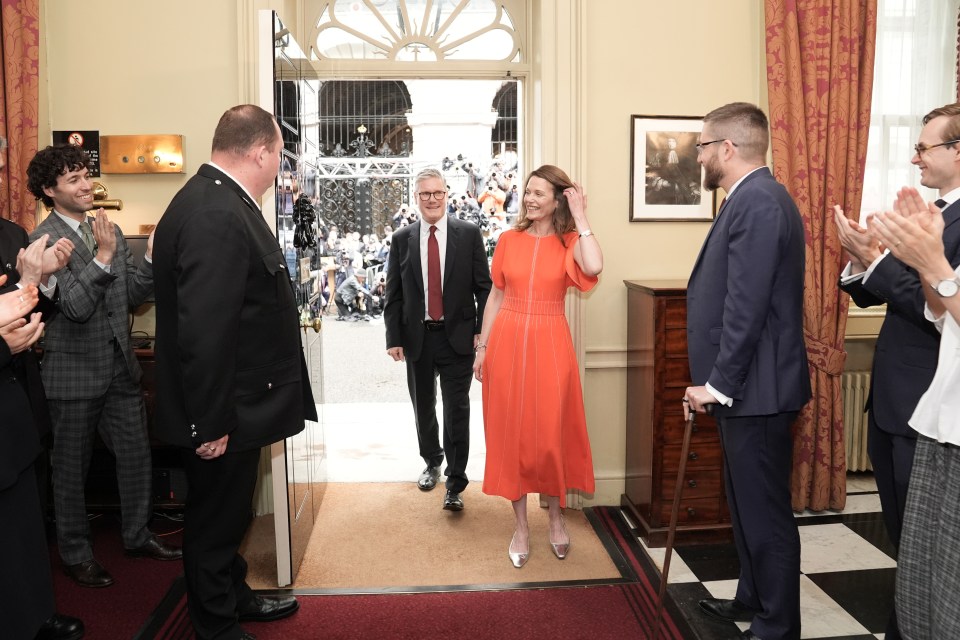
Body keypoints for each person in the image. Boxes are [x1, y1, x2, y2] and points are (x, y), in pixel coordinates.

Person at [151, 104, 317, 640]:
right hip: (223, 409)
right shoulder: (216, 212)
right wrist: (213, 422)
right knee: (214, 522)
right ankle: (216, 626)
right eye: (279, 156)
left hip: (236, 403)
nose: (279, 168)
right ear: (261, 152)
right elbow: (206, 331)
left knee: (231, 512)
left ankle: (234, 595)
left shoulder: (219, 201)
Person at [27, 144, 181, 589]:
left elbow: (133, 296)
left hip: (120, 370)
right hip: (72, 377)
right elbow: (73, 307)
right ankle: (76, 553)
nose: (85, 184)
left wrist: (151, 257)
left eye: (85, 175)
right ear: (49, 190)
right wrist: (103, 258)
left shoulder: (107, 227)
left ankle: (137, 535)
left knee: (136, 457)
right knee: (70, 469)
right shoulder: (42, 242)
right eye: (73, 179)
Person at [683, 103, 810, 640]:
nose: (700, 156)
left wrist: (717, 385)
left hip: (756, 389)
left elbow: (746, 305)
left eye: (703, 147)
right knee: (746, 505)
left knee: (766, 516)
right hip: (749, 390)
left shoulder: (758, 202)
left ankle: (777, 626)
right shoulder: (750, 198)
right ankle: (753, 598)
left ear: (727, 149)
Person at [833, 102, 960, 640]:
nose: (914, 159)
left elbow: (934, 311)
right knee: (906, 541)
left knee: (925, 543)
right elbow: (887, 295)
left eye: (924, 147)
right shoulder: (934, 213)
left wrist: (889, 263)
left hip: (929, 404)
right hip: (896, 400)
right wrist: (865, 259)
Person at [473, 165, 602, 568]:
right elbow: (495, 296)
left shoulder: (569, 243)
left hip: (550, 343)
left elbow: (595, 266)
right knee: (512, 435)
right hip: (507, 342)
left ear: (558, 199)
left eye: (539, 193)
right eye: (527, 191)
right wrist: (482, 347)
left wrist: (581, 216)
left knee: (550, 435)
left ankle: (556, 518)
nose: (529, 198)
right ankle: (521, 527)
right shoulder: (508, 239)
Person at [0, 137, 84, 639]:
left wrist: (41, 281)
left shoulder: (11, 231)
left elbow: (30, 310)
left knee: (25, 523)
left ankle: (34, 614)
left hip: (19, 402)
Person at [870, 186, 960, 640]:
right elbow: (941, 313)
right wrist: (927, 259)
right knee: (924, 575)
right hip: (940, 422)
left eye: (926, 147)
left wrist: (936, 263)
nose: (915, 159)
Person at [384, 168, 491, 511]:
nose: (432, 199)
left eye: (437, 193)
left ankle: (456, 484)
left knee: (456, 409)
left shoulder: (469, 233)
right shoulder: (402, 238)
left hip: (457, 338)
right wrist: (393, 337)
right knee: (424, 406)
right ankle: (432, 462)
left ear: (447, 194)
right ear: (416, 198)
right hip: (418, 338)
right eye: (424, 194)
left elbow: (484, 288)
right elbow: (394, 294)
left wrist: (480, 331)